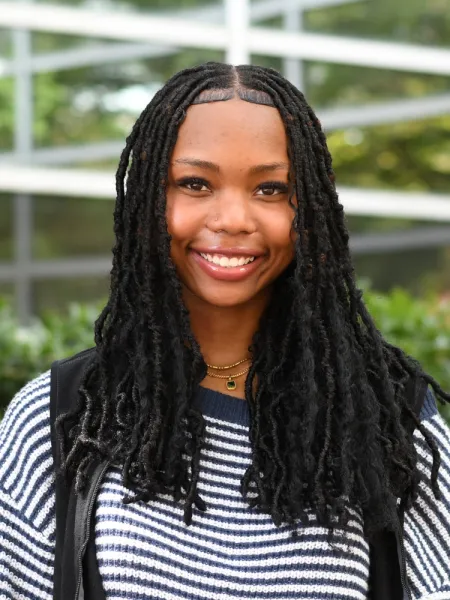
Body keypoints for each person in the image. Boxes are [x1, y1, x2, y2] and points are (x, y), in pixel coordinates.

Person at [1, 62, 450, 600]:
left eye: (270, 188)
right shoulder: (62, 415)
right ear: (149, 200)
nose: (234, 218)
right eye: (195, 183)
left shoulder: (391, 417)